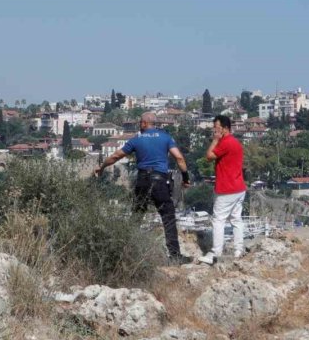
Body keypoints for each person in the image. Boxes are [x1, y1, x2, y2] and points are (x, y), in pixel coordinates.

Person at [95, 112, 191, 263]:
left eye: (140, 123)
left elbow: (115, 156)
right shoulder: (165, 137)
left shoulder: (136, 139)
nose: (139, 125)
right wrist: (185, 178)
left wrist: (101, 168)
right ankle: (175, 256)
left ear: (145, 123)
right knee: (168, 217)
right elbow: (179, 158)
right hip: (159, 181)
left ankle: (125, 254)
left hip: (142, 181)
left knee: (136, 216)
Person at [199, 115, 246, 265]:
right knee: (236, 219)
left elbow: (208, 156)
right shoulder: (235, 142)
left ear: (225, 128)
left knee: (218, 220)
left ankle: (215, 252)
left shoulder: (225, 142)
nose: (214, 130)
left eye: (217, 128)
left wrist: (215, 140)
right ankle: (239, 250)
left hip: (226, 188)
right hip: (239, 187)